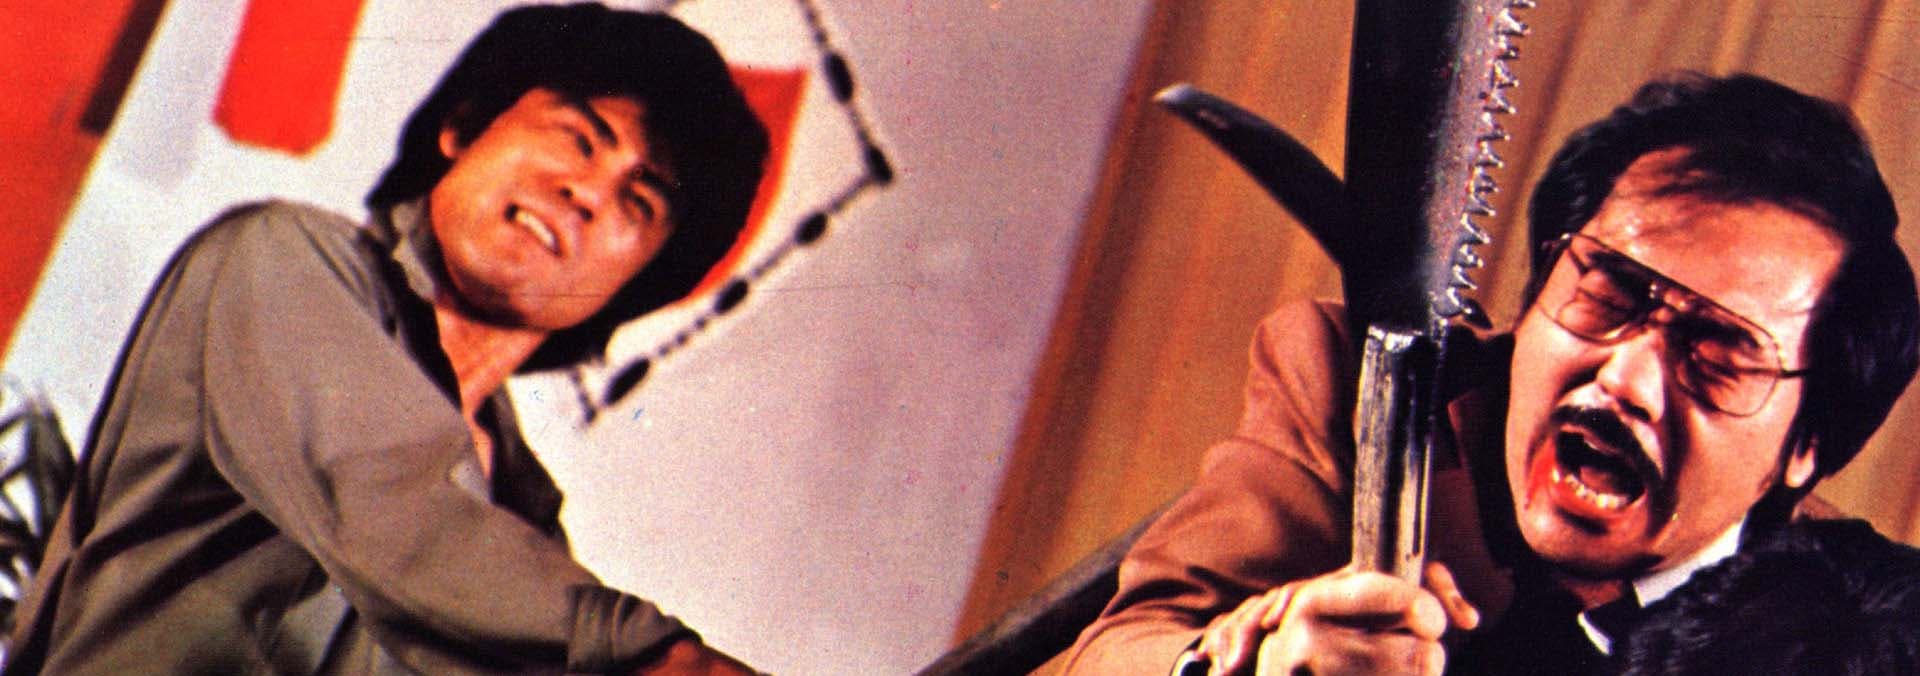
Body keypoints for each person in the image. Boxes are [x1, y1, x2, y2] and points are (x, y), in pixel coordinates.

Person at [1063, 72, 1920, 675]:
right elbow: (1109, 655)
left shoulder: (1856, 621)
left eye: (1716, 353)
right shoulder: (1365, 392)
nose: (1625, 379)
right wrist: (1241, 667)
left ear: (1806, 447)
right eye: (1609, 292)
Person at [3, 4, 769, 674]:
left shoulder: (525, 524)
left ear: (635, 282)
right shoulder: (282, 263)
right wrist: (656, 656)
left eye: (639, 201)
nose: (588, 193)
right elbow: (390, 505)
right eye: (579, 139)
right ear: (463, 127)